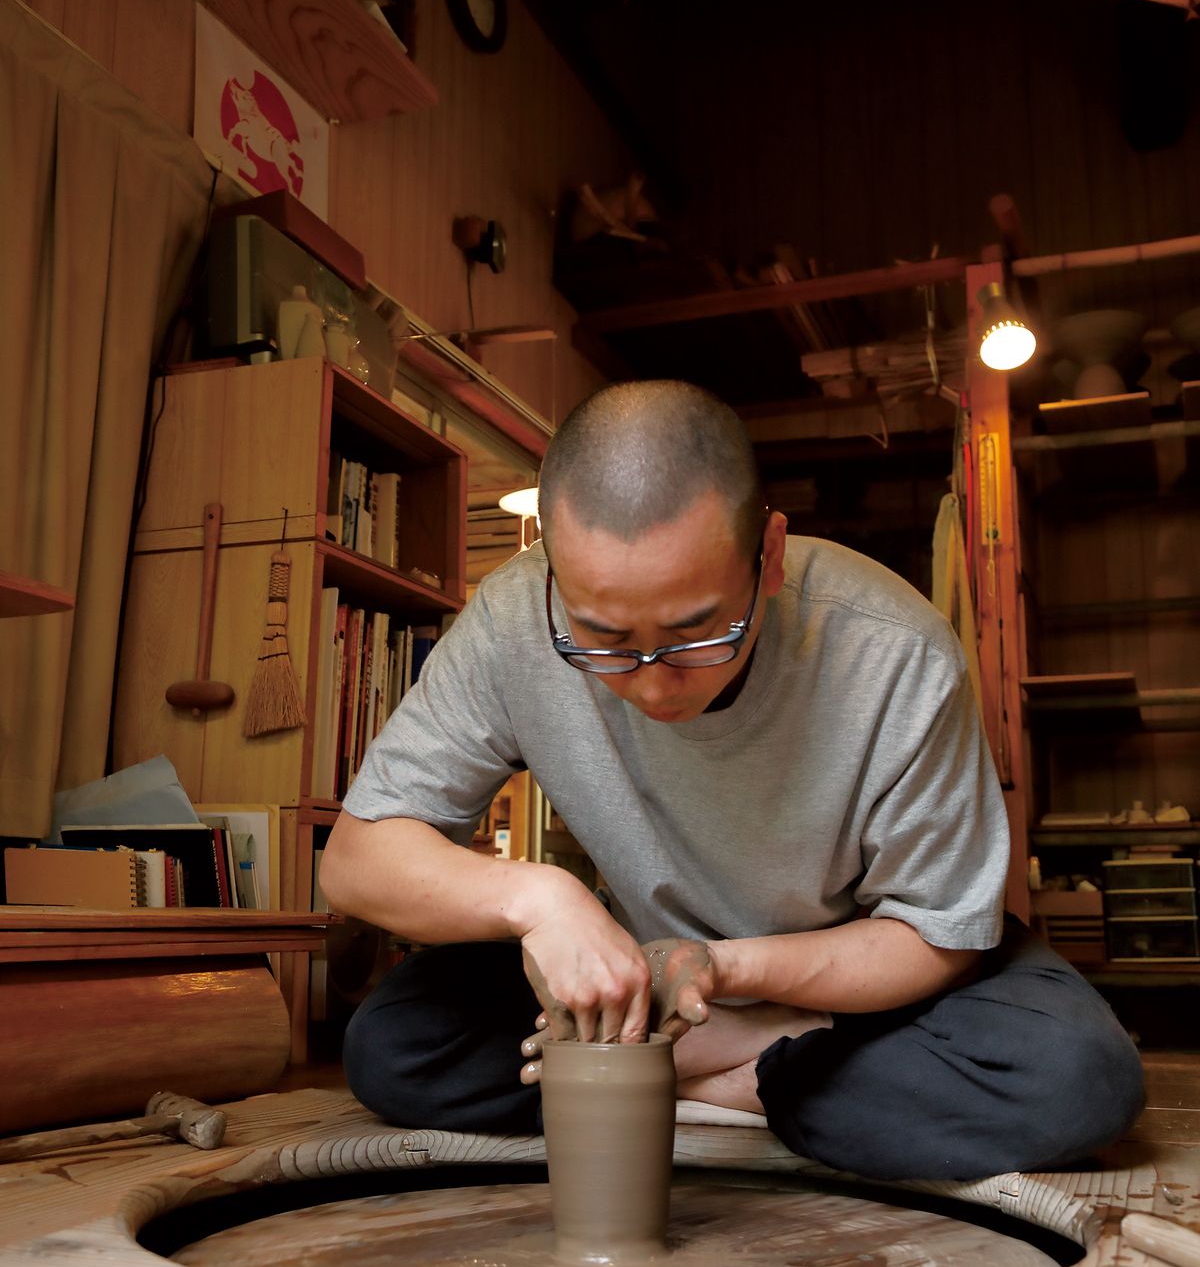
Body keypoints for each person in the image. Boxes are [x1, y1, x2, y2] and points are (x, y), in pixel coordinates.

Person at [320, 380, 1143, 1180]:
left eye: (695, 634)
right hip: (657, 977)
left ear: (770, 555)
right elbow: (356, 860)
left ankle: (701, 1073)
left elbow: (935, 937)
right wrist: (538, 900)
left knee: (1077, 1076)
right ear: (553, 574)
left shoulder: (896, 651)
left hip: (866, 981)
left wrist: (723, 976)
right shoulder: (510, 624)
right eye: (602, 638)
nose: (650, 682)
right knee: (395, 1045)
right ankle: (764, 1076)